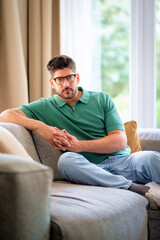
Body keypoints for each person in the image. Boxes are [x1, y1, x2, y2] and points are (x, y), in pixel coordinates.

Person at [1, 55, 160, 196]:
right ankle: (128, 186)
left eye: (69, 77)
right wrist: (41, 127)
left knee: (151, 157)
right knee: (66, 161)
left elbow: (119, 141)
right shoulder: (44, 106)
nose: (65, 84)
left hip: (124, 162)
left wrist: (80, 145)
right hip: (88, 168)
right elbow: (5, 115)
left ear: (77, 77)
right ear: (52, 83)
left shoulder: (101, 99)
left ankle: (115, 181)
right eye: (59, 80)